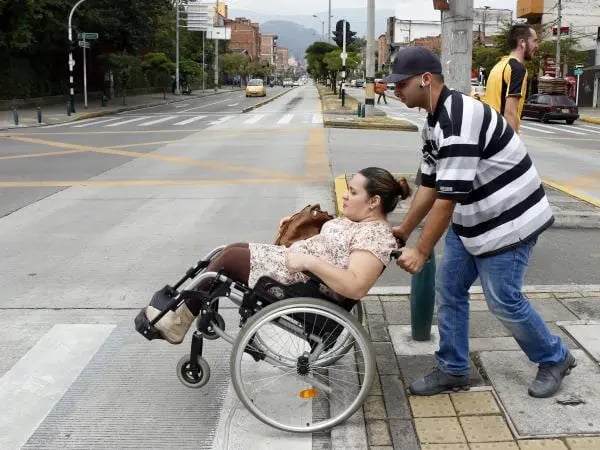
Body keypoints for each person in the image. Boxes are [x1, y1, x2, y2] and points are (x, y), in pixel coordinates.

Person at [383, 46, 575, 399]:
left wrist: (422, 250)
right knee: (450, 291)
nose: (395, 90)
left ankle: (555, 357)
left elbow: (447, 198)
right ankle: (453, 368)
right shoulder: (432, 123)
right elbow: (429, 184)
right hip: (473, 218)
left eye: (401, 84)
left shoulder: (459, 119)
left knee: (503, 299)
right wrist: (404, 231)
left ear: (426, 80)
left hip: (510, 221)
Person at [144, 167, 411, 345]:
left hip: (301, 284)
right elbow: (334, 246)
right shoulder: (361, 223)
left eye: (353, 192)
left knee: (226, 262)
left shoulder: (375, 235)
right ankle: (184, 313)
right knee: (231, 249)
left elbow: (355, 285)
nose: (345, 195)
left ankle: (178, 321)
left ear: (374, 201)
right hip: (294, 268)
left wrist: (308, 260)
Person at [481, 24, 539, 133]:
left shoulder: (499, 65)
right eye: (534, 41)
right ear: (522, 42)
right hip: (501, 138)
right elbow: (510, 112)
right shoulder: (517, 69)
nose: (537, 46)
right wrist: (512, 145)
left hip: (489, 134)